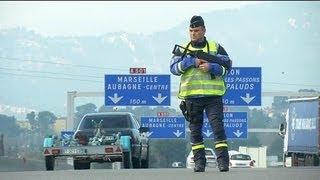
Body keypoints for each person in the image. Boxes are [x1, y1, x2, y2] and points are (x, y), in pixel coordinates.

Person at [170, 15, 232, 172]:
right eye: (191, 31)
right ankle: (199, 164)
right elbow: (173, 69)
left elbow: (227, 67)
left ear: (204, 30)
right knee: (195, 131)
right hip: (191, 97)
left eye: (196, 30)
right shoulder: (183, 49)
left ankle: (223, 163)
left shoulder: (215, 47)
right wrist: (191, 62)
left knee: (218, 128)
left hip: (213, 97)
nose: (193, 34)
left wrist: (212, 67)